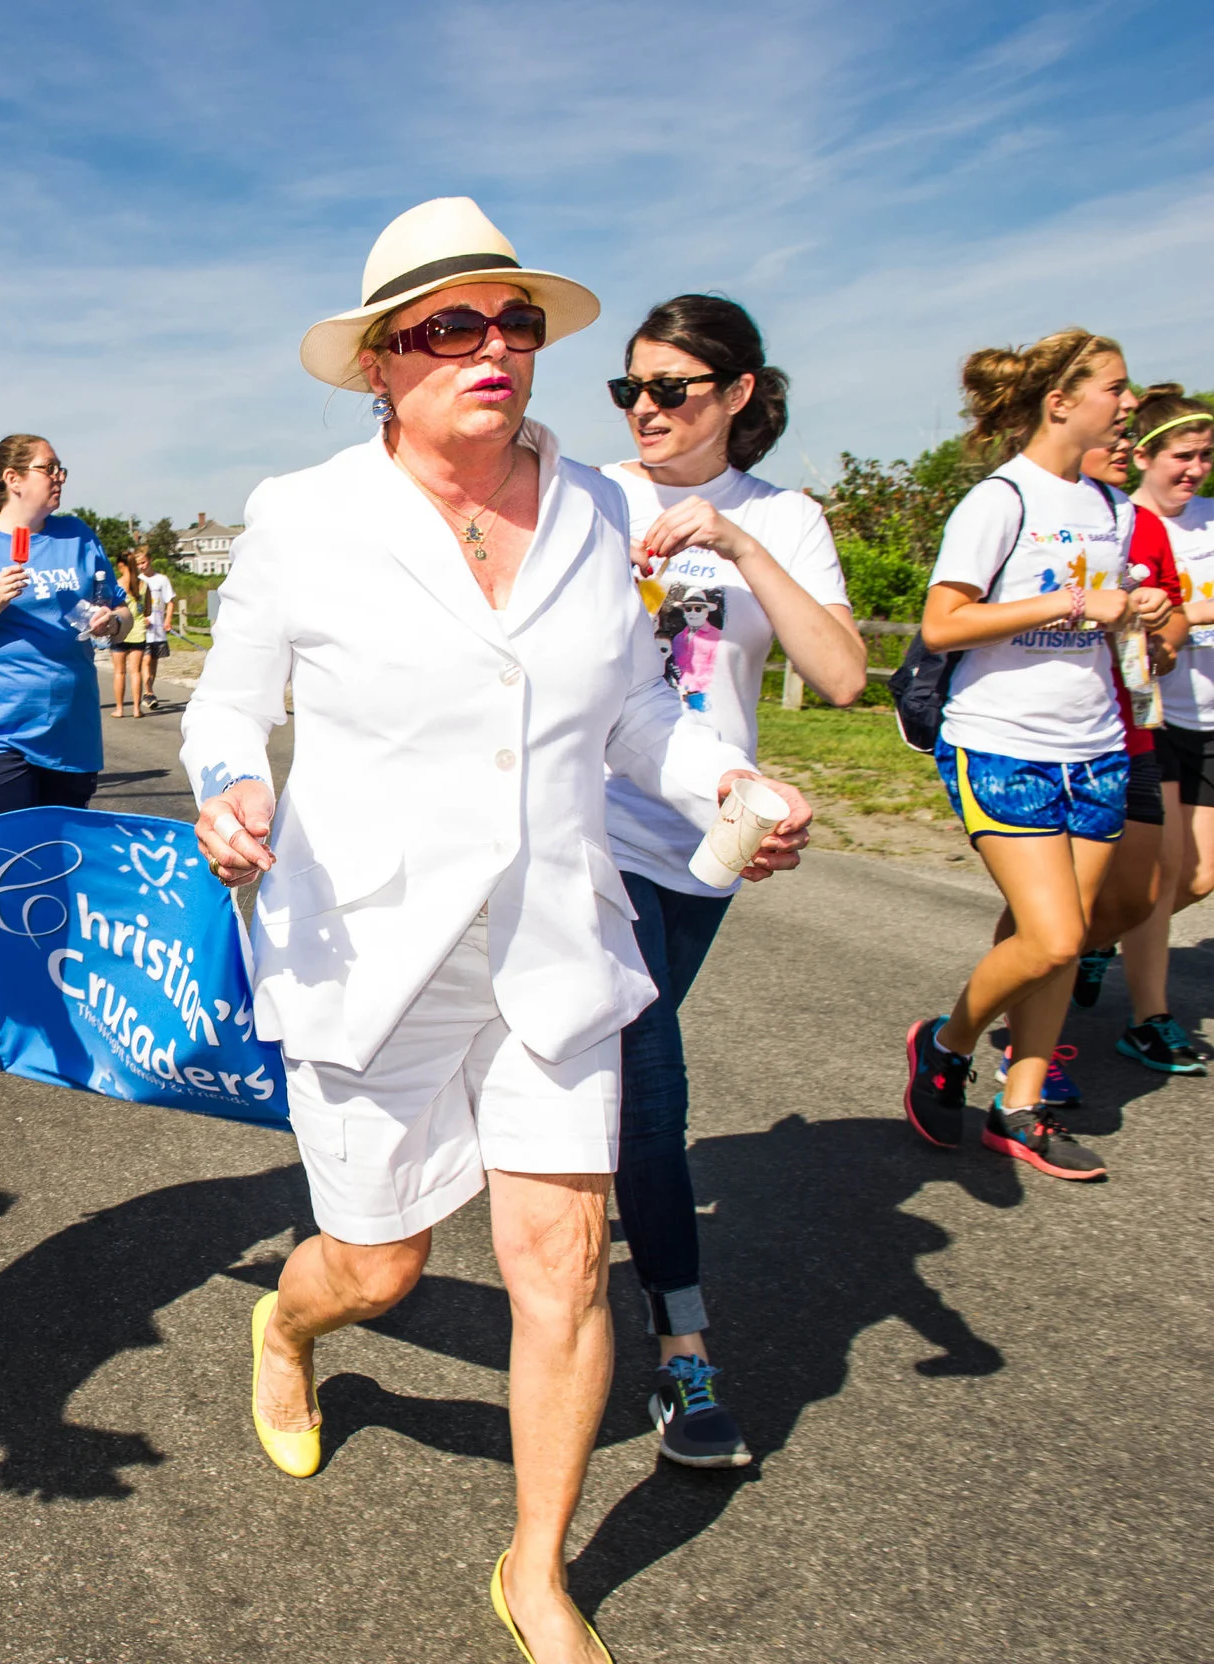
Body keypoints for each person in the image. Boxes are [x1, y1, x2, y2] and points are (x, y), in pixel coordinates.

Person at [185, 197, 810, 1664]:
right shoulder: (303, 514)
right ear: (381, 364)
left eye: (515, 321)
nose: (496, 348)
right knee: (381, 1266)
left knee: (561, 1258)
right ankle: (288, 1332)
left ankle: (536, 1569)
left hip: (553, 938)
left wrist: (726, 774)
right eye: (453, 326)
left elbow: (636, 711)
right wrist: (225, 786)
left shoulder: (601, 507)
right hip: (367, 941)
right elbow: (228, 701)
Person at [597, 295, 866, 1470]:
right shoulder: (588, 497)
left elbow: (845, 675)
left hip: (706, 843)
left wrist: (738, 543)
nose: (647, 409)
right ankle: (682, 1350)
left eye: (674, 388)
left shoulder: (783, 518)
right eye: (631, 389)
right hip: (583, 831)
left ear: (740, 392)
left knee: (610, 1077)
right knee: (650, 1084)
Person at [901, 330, 1157, 1183]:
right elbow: (944, 623)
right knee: (1050, 939)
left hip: (1095, 746)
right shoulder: (1001, 500)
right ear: (1061, 401)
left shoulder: (1115, 509)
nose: (1127, 405)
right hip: (1003, 742)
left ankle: (1021, 1107)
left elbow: (1099, 620)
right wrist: (1077, 601)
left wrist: (1136, 608)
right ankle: (945, 1044)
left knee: (1065, 937)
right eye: (1114, 388)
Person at [1049, 424, 1188, 1080]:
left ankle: (1044, 983)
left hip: (1133, 730)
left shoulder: (1145, 526)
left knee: (1141, 894)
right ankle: (1024, 1061)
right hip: (1051, 732)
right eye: (1119, 427)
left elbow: (1174, 625)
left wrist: (1162, 623)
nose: (1126, 440)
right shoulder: (1036, 510)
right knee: (1055, 916)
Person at [0, 436, 130, 815]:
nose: (59, 477)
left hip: (71, 733)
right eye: (48, 468)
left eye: (60, 469)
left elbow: (122, 609)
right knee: (13, 859)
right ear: (13, 479)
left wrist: (112, 623)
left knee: (60, 862)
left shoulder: (78, 535)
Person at [1120, 388, 1214, 1066]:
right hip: (1159, 717)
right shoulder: (1124, 524)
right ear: (1144, 455)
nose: (1197, 469)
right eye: (1183, 455)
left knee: (1200, 879)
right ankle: (1149, 1015)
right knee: (1168, 867)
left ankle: (1101, 937)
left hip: (1211, 716)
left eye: (1207, 456)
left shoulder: (1211, 522)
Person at [108, 548, 149, 717]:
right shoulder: (144, 585)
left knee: (119, 672)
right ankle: (136, 709)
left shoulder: (116, 585)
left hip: (120, 631)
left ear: (120, 565)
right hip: (138, 631)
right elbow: (147, 611)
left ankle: (119, 708)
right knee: (136, 671)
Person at [135, 543, 176, 710]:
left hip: (158, 629)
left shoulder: (162, 580)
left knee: (153, 662)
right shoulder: (137, 581)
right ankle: (149, 691)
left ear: (149, 560)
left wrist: (168, 620)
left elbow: (170, 602)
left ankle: (148, 689)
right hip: (143, 629)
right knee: (145, 660)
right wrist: (140, 618)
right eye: (138, 564)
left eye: (144, 562)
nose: (142, 567)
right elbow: (133, 605)